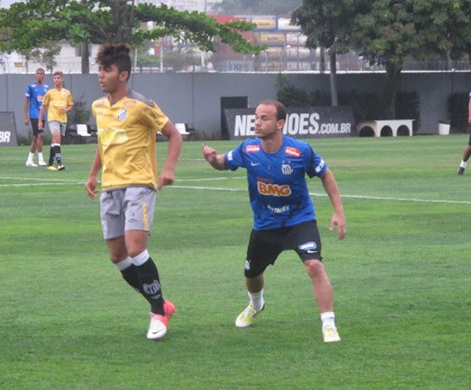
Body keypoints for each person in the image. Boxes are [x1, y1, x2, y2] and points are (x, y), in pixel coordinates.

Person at [202, 100, 346, 343]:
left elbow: (325, 174)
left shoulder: (300, 151)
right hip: (265, 225)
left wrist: (338, 211)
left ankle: (328, 324)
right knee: (252, 273)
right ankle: (256, 305)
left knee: (314, 266)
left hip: (299, 220)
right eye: (256, 117)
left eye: (264, 118)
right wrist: (212, 159)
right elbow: (223, 163)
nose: (257, 122)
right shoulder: (247, 150)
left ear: (280, 123)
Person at [84, 43, 183, 340]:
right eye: (100, 69)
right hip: (110, 187)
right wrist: (92, 174)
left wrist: (168, 169)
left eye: (107, 70)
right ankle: (161, 303)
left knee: (136, 248)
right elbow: (105, 144)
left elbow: (174, 134)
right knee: (118, 256)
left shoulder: (141, 105)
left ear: (123, 75)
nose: (100, 75)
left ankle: (157, 312)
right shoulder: (98, 107)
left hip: (139, 185)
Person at [38, 71, 73, 171]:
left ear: (62, 79)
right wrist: (40, 120)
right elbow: (43, 107)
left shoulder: (67, 93)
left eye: (58, 78)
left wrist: (65, 109)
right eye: (55, 78)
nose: (56, 80)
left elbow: (70, 105)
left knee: (56, 141)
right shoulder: (50, 93)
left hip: (63, 120)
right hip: (52, 118)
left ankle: (50, 163)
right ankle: (60, 163)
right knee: (56, 138)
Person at [24, 68, 49, 167]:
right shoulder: (31, 87)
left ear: (44, 75)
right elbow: (26, 101)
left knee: (35, 138)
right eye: (37, 73)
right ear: (35, 75)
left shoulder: (46, 87)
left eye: (41, 74)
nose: (39, 75)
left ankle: (29, 160)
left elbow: (47, 102)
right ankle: (40, 159)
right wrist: (26, 116)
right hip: (34, 115)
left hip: (42, 115)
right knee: (41, 135)